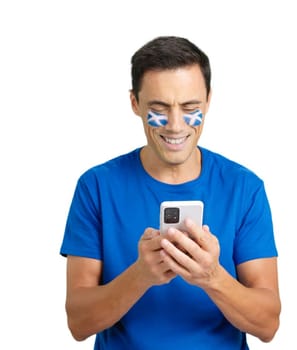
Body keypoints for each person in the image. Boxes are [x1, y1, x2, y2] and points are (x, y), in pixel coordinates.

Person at [59, 36, 281, 349]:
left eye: (190, 107)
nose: (176, 125)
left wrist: (212, 277)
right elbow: (78, 323)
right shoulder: (96, 187)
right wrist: (141, 276)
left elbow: (268, 325)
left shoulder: (244, 188)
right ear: (135, 103)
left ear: (208, 101)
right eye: (159, 108)